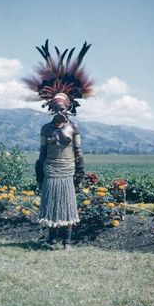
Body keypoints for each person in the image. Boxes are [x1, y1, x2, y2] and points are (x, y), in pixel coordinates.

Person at [22, 40, 94, 250]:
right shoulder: (45, 129)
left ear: (68, 108)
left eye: (62, 108)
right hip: (51, 170)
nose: (59, 111)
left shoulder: (74, 128)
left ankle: (67, 241)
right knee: (52, 204)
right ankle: (52, 240)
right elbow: (42, 153)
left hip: (68, 170)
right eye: (55, 108)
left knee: (69, 205)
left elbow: (79, 153)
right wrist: (40, 174)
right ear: (51, 108)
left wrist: (79, 174)